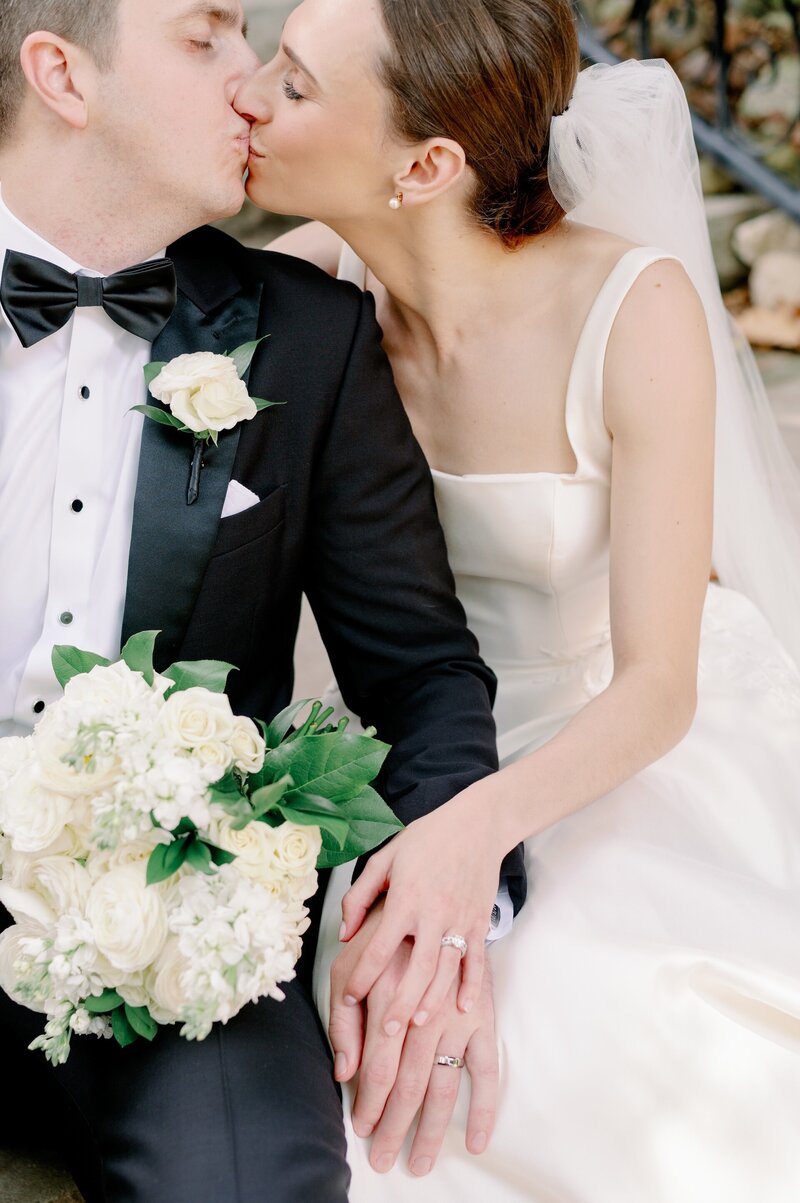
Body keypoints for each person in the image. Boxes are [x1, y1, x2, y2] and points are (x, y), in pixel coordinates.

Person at [239, 0, 800, 1197]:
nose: (246, 98)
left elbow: (657, 684)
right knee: (351, 1033)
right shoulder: (303, 294)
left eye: (290, 85)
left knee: (576, 1015)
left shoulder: (627, 311)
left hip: (603, 742)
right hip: (398, 737)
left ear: (426, 164)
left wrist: (471, 831)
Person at [0, 1, 527, 1199]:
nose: (252, 87)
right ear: (61, 77)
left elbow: (423, 671)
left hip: (170, 939)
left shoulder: (308, 341)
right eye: (205, 40)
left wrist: (444, 877)